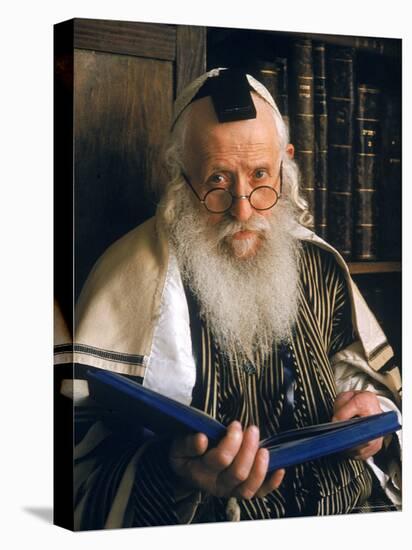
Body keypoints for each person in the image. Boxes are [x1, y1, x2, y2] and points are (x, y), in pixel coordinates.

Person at [62, 68, 401, 530]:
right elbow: (80, 463)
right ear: (179, 175)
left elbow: (368, 383)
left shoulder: (319, 265)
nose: (243, 209)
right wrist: (175, 473)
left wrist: (371, 416)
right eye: (218, 181)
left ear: (287, 163)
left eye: (260, 175)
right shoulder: (130, 276)